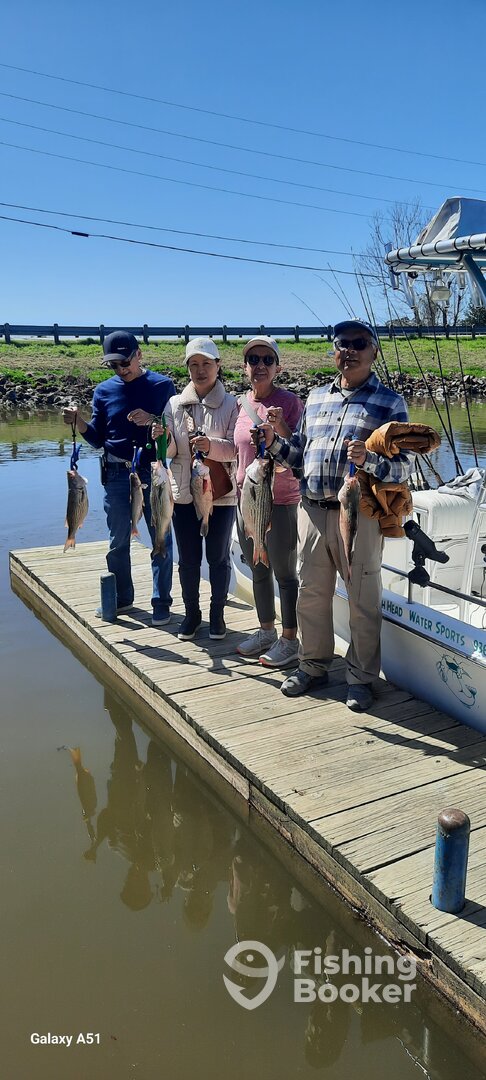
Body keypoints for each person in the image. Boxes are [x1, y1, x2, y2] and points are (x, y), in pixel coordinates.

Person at [256, 320, 414, 712]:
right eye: (342, 343)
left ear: (374, 351)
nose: (350, 350)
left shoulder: (390, 403)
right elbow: (298, 458)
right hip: (311, 511)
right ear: (334, 351)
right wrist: (275, 444)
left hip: (358, 514)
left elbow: (404, 468)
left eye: (359, 343)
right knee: (311, 594)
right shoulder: (314, 398)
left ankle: (361, 678)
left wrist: (370, 459)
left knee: (362, 598)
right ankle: (312, 665)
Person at [62, 330, 175, 625]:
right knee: (117, 541)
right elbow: (97, 439)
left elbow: (177, 429)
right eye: (114, 365)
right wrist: (79, 422)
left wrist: (153, 419)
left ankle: (161, 602)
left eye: (125, 362)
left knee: (161, 536)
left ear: (139, 355)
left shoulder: (163, 386)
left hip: (153, 474)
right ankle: (123, 598)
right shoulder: (103, 391)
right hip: (115, 474)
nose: (121, 369)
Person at [153, 337, 237, 642]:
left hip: (220, 495)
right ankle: (192, 614)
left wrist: (209, 446)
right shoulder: (174, 404)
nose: (200, 370)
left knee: (218, 558)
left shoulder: (233, 404)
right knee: (187, 560)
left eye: (207, 364)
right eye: (194, 364)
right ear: (187, 368)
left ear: (218, 366)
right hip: (183, 495)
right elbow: (170, 453)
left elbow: (235, 450)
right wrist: (162, 438)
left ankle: (217, 615)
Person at [234, 336, 304, 667]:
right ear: (245, 367)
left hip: (281, 499)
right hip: (246, 498)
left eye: (267, 360)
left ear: (277, 367)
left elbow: (300, 448)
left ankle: (290, 639)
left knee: (285, 575)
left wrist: (280, 426)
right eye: (253, 360)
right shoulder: (240, 404)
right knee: (257, 567)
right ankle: (265, 631)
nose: (260, 366)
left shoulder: (290, 402)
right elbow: (234, 451)